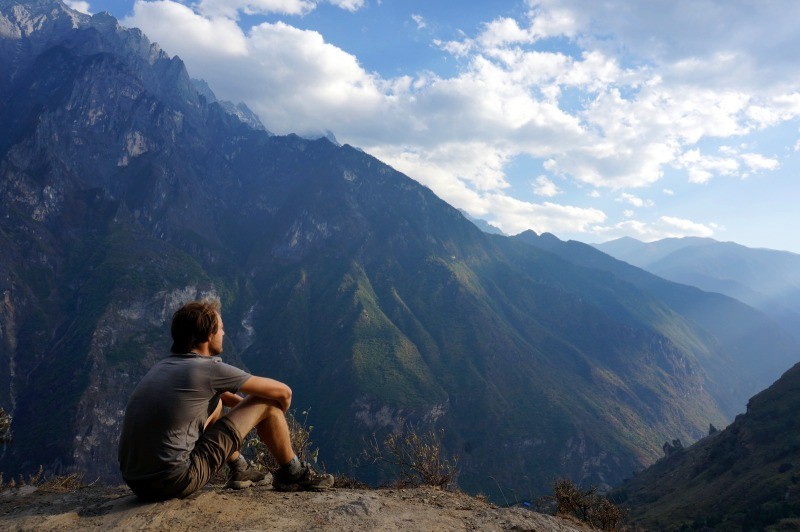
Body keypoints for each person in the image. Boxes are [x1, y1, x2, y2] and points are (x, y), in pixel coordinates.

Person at [118, 299, 334, 501]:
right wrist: (270, 412)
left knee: (218, 402)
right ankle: (293, 474)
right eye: (220, 328)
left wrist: (248, 414)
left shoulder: (163, 367)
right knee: (268, 402)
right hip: (174, 481)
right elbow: (284, 393)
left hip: (137, 482)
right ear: (208, 336)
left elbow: (212, 395)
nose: (224, 333)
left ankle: (240, 468)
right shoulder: (207, 370)